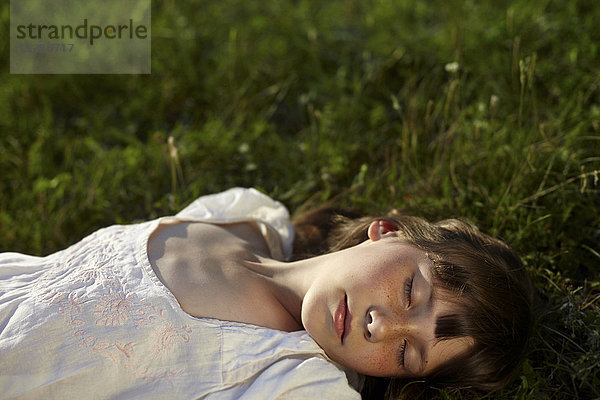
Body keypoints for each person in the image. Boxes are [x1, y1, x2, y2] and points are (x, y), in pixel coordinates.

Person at [0, 187, 533, 399]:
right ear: (386, 230)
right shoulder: (245, 219)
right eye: (410, 290)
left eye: (404, 352)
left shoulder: (290, 376)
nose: (382, 326)